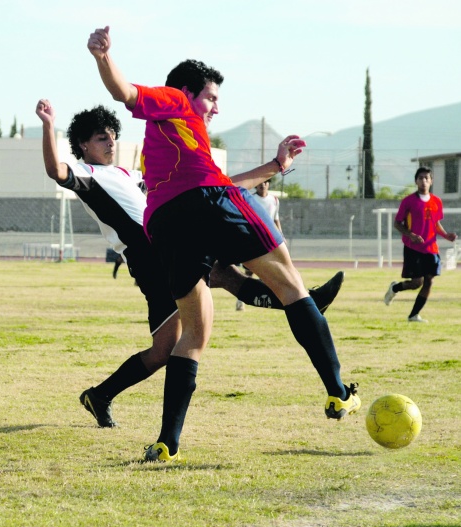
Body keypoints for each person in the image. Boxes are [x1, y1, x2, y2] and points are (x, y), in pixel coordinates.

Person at [88, 26, 360, 463]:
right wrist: (103, 57)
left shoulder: (175, 139)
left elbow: (218, 181)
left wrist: (276, 165)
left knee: (194, 334)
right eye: (211, 98)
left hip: (167, 225)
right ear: (187, 92)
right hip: (207, 203)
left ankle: (167, 444)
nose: (216, 106)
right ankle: (338, 392)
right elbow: (126, 93)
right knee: (292, 285)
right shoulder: (175, 101)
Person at [35, 100, 343, 429]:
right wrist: (48, 125)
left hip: (170, 244)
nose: (111, 142)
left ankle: (305, 303)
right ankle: (100, 395)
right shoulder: (87, 174)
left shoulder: (128, 174)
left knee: (224, 277)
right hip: (149, 260)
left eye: (112, 136)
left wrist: (275, 166)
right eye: (101, 138)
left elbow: (217, 186)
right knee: (164, 349)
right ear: (83, 144)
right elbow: (56, 171)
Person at [384, 167, 456, 322]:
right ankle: (395, 288)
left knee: (429, 281)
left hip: (431, 247)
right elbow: (397, 223)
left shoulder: (437, 201)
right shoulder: (408, 201)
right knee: (417, 283)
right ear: (416, 181)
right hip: (413, 248)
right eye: (421, 178)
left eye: (426, 178)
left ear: (431, 181)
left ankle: (413, 315)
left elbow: (435, 223)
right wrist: (411, 235)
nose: (424, 181)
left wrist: (446, 235)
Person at [236, 178, 282, 311]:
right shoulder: (250, 198)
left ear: (269, 184)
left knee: (269, 270)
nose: (263, 185)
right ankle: (241, 300)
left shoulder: (274, 200)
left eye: (266, 182)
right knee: (249, 271)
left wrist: (281, 235)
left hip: (270, 240)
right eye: (260, 183)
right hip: (253, 238)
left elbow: (275, 219)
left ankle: (267, 299)